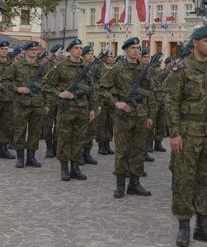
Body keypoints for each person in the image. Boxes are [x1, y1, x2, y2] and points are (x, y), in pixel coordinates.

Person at [164, 25, 207, 247]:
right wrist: (174, 133)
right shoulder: (182, 69)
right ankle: (184, 225)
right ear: (195, 44)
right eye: (206, 41)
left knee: (206, 179)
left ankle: (202, 226)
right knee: (184, 179)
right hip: (188, 134)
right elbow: (171, 102)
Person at [100, 37, 155, 198]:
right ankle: (120, 185)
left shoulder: (145, 69)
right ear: (125, 50)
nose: (136, 51)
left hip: (141, 115)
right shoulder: (117, 69)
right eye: (133, 48)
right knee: (122, 151)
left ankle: (135, 184)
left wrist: (150, 115)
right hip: (123, 116)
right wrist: (116, 103)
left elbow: (152, 94)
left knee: (139, 151)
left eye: (138, 48)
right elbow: (103, 89)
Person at [42, 39, 97, 180]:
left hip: (83, 108)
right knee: (65, 138)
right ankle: (64, 169)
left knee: (79, 138)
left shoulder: (86, 66)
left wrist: (93, 108)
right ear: (70, 50)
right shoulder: (60, 66)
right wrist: (60, 93)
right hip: (66, 109)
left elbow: (92, 89)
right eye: (77, 48)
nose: (79, 50)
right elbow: (45, 84)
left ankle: (75, 168)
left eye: (80, 48)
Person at [0, 41, 49, 168]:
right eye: (32, 49)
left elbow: (47, 87)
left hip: (37, 103)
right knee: (20, 131)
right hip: (21, 103)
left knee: (35, 132)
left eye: (36, 49)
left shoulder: (41, 66)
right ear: (26, 51)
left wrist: (46, 104)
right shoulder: (16, 66)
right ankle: (20, 158)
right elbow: (4, 80)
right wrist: (17, 89)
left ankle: (31, 157)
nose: (34, 51)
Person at [0, 40, 16, 159]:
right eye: (2, 49)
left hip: (8, 98)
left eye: (6, 49)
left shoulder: (11, 63)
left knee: (7, 124)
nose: (4, 51)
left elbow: (16, 78)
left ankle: (4, 148)